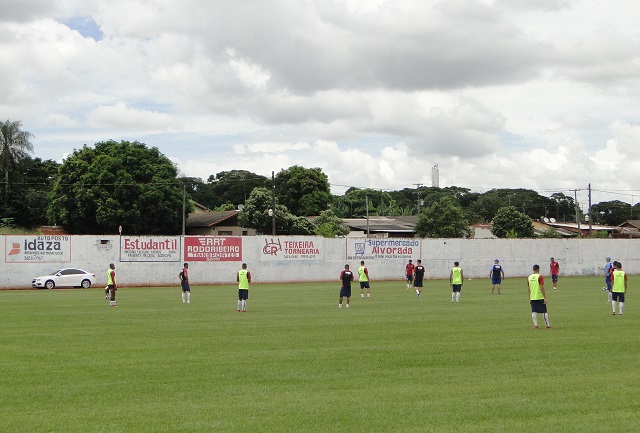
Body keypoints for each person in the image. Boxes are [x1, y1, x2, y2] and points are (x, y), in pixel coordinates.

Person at [527, 264, 551, 329]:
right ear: (538, 269)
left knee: (533, 311)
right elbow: (542, 287)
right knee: (544, 311)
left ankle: (536, 325)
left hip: (532, 297)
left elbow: (529, 288)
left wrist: (529, 298)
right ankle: (547, 325)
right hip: (540, 296)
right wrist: (545, 297)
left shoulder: (529, 277)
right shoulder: (540, 276)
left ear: (533, 269)